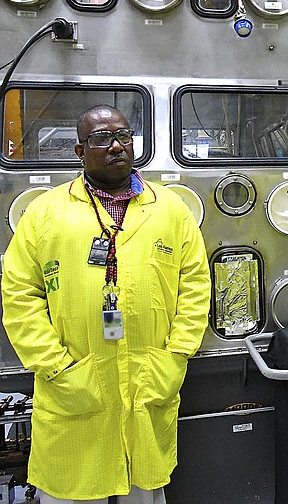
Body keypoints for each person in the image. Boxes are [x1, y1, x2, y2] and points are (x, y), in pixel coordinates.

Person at [2, 105, 211, 504]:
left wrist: (177, 354)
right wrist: (55, 366)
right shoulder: (46, 213)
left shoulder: (170, 209)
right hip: (73, 383)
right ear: (80, 151)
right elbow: (19, 294)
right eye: (102, 139)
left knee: (144, 490)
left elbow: (196, 287)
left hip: (149, 381)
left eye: (124, 136)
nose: (117, 146)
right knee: (71, 490)